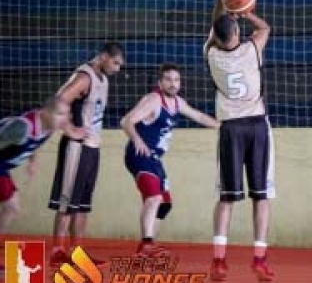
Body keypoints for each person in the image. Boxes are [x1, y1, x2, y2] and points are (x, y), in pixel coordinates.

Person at [205, 0, 275, 281]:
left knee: (227, 197)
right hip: (257, 127)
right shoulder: (251, 48)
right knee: (261, 197)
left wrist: (222, 3)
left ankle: (219, 260)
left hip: (230, 130)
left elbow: (215, 29)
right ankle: (259, 259)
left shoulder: (211, 54)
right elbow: (266, 29)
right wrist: (245, 12)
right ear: (235, 33)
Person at [120, 63, 220, 257]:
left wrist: (221, 126)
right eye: (168, 79)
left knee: (164, 204)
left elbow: (198, 115)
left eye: (176, 80)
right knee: (154, 197)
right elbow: (126, 121)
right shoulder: (153, 100)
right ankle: (146, 245)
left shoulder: (178, 103)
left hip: (154, 159)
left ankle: (146, 248)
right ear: (160, 82)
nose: (173, 84)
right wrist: (137, 139)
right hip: (140, 155)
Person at [48, 42, 125, 268]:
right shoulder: (85, 76)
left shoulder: (104, 79)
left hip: (92, 147)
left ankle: (77, 254)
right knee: (67, 201)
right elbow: (60, 99)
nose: (118, 68)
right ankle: (57, 251)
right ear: (103, 57)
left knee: (82, 204)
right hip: (76, 147)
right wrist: (70, 129)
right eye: (116, 62)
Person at [0, 98, 82, 235]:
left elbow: (35, 142)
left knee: (12, 207)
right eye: (60, 114)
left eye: (67, 114)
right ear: (45, 113)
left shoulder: (48, 127)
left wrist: (33, 161)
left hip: (2, 166)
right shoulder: (22, 128)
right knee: (11, 207)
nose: (65, 119)